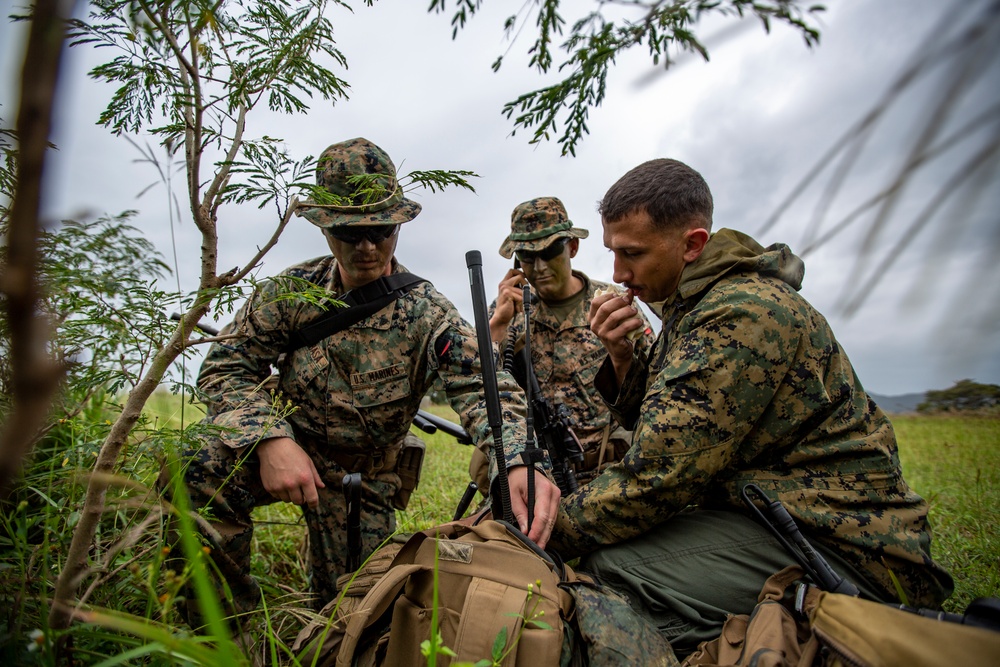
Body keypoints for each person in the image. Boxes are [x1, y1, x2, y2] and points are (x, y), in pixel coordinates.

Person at [546, 158, 954, 655]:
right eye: (612, 252)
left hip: (848, 549)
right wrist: (624, 357)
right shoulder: (695, 301)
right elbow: (665, 420)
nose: (618, 273)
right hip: (778, 518)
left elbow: (658, 477)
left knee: (610, 572)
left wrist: (545, 530)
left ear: (692, 244)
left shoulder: (740, 313)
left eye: (632, 253)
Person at [164, 137, 559, 622]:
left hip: (363, 480)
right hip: (291, 445)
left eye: (382, 230)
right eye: (352, 233)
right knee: (195, 468)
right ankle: (218, 635)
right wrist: (269, 440)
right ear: (326, 230)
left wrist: (517, 460)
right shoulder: (291, 294)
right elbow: (226, 366)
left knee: (353, 614)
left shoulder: (426, 312)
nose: (369, 247)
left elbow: (484, 387)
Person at [469, 197, 655, 492]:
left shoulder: (613, 304)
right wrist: (498, 326)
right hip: (534, 478)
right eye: (528, 256)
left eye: (550, 251)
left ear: (572, 247)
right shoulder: (508, 310)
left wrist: (621, 357)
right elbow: (473, 390)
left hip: (608, 474)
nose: (540, 267)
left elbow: (652, 389)